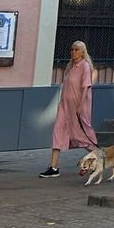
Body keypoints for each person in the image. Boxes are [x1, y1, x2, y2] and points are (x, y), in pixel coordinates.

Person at [39, 41, 97, 178]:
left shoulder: (85, 67)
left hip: (77, 107)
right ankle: (53, 167)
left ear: (83, 52)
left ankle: (97, 157)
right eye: (72, 49)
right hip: (65, 105)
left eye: (76, 50)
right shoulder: (70, 67)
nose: (73, 52)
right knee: (57, 131)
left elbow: (85, 87)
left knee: (82, 135)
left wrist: (80, 106)